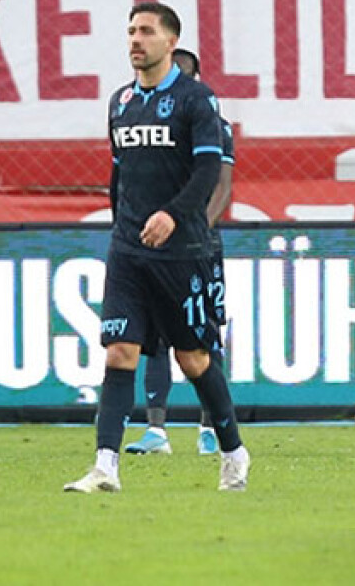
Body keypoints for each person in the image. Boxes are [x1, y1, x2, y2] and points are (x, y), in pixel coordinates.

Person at [65, 2, 250, 492]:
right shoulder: (121, 102)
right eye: (131, 30)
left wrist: (173, 215)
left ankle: (234, 451)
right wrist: (121, 229)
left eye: (146, 31)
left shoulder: (196, 99)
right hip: (129, 250)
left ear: (171, 41)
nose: (135, 39)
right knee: (119, 353)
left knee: (193, 360)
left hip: (182, 251)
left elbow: (208, 171)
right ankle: (105, 465)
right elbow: (119, 174)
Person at [125, 48, 234, 457]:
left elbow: (221, 185)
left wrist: (194, 229)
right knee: (153, 332)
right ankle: (156, 430)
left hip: (196, 243)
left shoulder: (214, 123)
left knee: (204, 332)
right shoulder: (141, 115)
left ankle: (210, 428)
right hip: (154, 242)